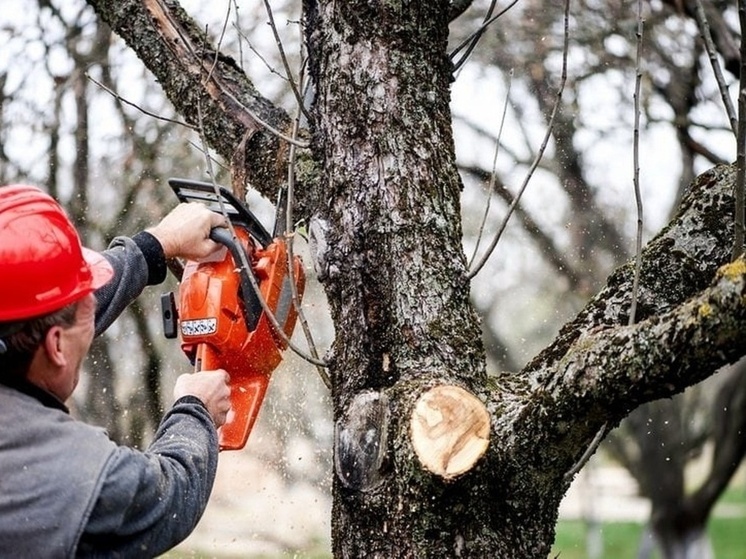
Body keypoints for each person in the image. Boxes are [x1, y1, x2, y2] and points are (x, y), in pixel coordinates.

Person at [0, 184, 232, 558]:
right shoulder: (69, 476)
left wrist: (157, 244)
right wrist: (195, 410)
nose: (93, 313)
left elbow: (47, 306)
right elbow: (167, 494)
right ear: (56, 346)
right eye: (86, 312)